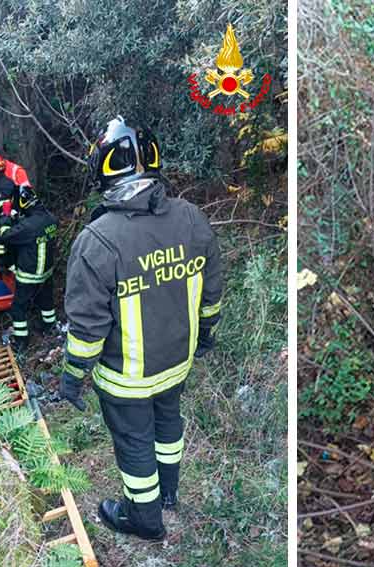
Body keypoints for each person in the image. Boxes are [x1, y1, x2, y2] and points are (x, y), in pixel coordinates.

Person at [57, 117, 223, 541]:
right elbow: (212, 294)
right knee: (168, 425)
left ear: (103, 171)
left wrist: (73, 379)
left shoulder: (97, 241)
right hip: (176, 362)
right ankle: (168, 494)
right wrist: (205, 337)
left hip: (126, 378)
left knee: (134, 444)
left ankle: (145, 520)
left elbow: (88, 330)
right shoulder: (191, 219)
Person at [0, 186, 58, 351]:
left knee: (18, 308)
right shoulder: (51, 219)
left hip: (29, 275)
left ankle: (22, 340)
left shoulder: (28, 227)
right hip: (47, 273)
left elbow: (6, 236)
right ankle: (51, 329)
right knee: (46, 302)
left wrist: (5, 219)